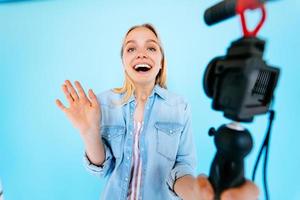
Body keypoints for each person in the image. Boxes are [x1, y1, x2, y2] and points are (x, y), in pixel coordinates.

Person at [55, 23, 259, 200]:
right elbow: (102, 170)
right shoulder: (102, 103)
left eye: (151, 48)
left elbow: (183, 167)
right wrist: (89, 133)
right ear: (123, 62)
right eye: (131, 49)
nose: (141, 53)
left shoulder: (180, 106)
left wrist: (196, 193)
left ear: (161, 62)